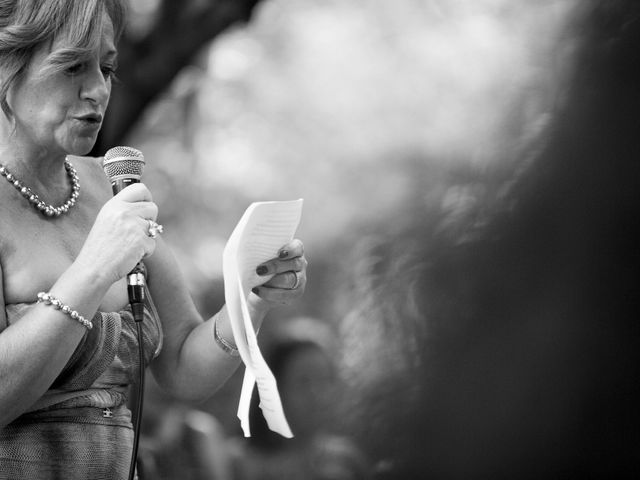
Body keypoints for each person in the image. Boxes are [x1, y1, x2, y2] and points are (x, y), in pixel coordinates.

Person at [0, 0, 308, 478]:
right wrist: (94, 268)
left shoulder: (113, 186)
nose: (98, 90)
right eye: (73, 66)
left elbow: (184, 368)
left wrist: (251, 299)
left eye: (106, 68)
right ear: (7, 65)